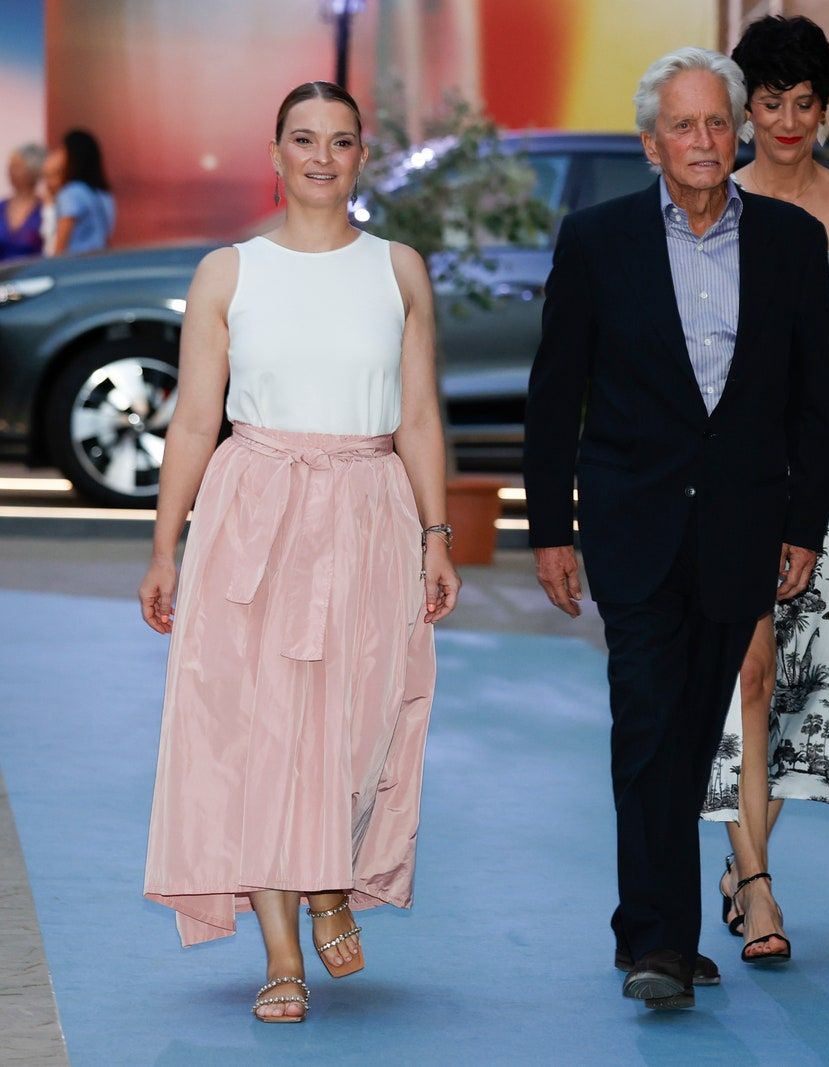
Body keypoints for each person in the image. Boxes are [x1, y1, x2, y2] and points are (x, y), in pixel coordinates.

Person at [522, 47, 829, 1012]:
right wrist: (550, 528)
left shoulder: (790, 241)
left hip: (743, 531)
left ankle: (659, 930)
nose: (704, 142)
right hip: (633, 525)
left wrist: (804, 526)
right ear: (650, 142)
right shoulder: (597, 238)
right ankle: (656, 938)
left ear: (738, 132)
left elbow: (811, 404)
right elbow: (555, 394)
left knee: (696, 729)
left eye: (717, 124)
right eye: (683, 126)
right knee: (649, 724)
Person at [139, 81, 458, 1024]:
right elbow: (195, 419)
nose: (322, 156)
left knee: (361, 719)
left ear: (364, 156)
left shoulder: (398, 270)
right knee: (264, 728)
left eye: (342, 141)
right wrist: (166, 547)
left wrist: (437, 536)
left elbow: (421, 416)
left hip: (369, 511)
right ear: (272, 154)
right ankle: (284, 948)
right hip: (256, 513)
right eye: (304, 139)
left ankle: (331, 880)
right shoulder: (227, 273)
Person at [698, 13, 829, 967]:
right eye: (768, 103)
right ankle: (762, 884)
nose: (786, 121)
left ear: (826, 108)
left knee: (808, 682)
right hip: (738, 472)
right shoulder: (710, 205)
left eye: (804, 103)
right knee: (747, 671)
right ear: (743, 109)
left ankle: (746, 861)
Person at [44, 129, 115, 255]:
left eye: (61, 150)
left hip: (74, 264)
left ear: (72, 154)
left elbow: (60, 243)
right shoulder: (104, 194)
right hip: (98, 261)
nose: (57, 155)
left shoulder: (71, 193)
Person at [0, 144, 45, 261]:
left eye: (17, 167)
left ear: (33, 170)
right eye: (10, 167)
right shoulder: (2, 207)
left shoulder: (45, 209)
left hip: (35, 274)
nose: (10, 172)